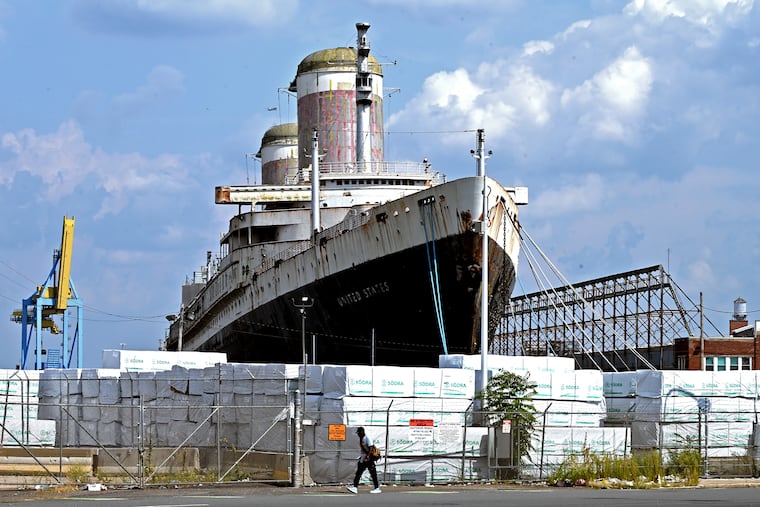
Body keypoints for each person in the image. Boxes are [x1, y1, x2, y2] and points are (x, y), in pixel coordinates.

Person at [346, 426, 381, 494]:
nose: (358, 434)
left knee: (372, 473)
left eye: (359, 433)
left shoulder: (367, 438)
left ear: (362, 432)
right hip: (364, 458)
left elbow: (371, 447)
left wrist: (368, 457)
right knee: (359, 473)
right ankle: (355, 487)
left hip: (369, 459)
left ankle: (377, 488)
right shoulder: (361, 438)